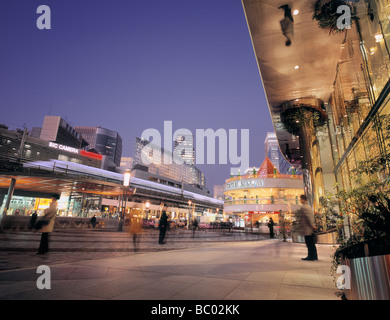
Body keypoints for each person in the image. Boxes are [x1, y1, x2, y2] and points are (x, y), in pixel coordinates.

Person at [296, 194, 318, 261]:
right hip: (309, 228)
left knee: (309, 243)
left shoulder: (304, 207)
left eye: (300, 199)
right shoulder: (308, 206)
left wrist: (313, 225)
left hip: (307, 229)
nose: (300, 200)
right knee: (311, 243)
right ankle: (314, 256)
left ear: (303, 199)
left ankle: (310, 256)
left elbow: (309, 217)